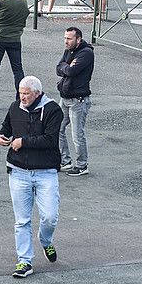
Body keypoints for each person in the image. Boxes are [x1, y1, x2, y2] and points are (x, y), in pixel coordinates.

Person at [0, 76, 64, 278]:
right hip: (18, 171)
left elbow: (50, 140)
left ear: (37, 93)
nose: (22, 97)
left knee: (50, 216)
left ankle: (45, 240)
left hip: (46, 172)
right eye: (20, 93)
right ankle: (24, 261)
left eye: (26, 94)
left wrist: (23, 142)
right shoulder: (15, 107)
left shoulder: (52, 110)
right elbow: (6, 127)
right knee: (22, 220)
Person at [56, 26, 95, 176]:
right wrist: (67, 66)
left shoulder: (86, 53)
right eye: (65, 38)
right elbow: (58, 68)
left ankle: (82, 165)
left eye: (69, 38)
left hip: (78, 100)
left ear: (78, 39)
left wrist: (66, 67)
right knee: (57, 128)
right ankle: (65, 161)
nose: (66, 41)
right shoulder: (69, 50)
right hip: (65, 97)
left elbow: (71, 71)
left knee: (77, 135)